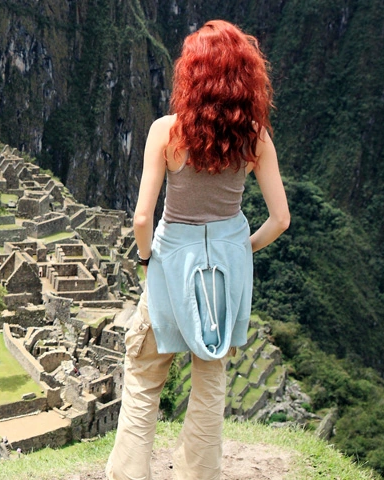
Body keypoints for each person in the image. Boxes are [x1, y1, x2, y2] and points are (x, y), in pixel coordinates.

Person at [106, 20, 290, 480]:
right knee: (210, 383)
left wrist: (147, 262)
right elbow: (280, 219)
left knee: (145, 376)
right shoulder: (255, 137)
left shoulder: (166, 132)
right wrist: (241, 250)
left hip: (171, 267)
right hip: (224, 274)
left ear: (191, 75)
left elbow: (142, 218)